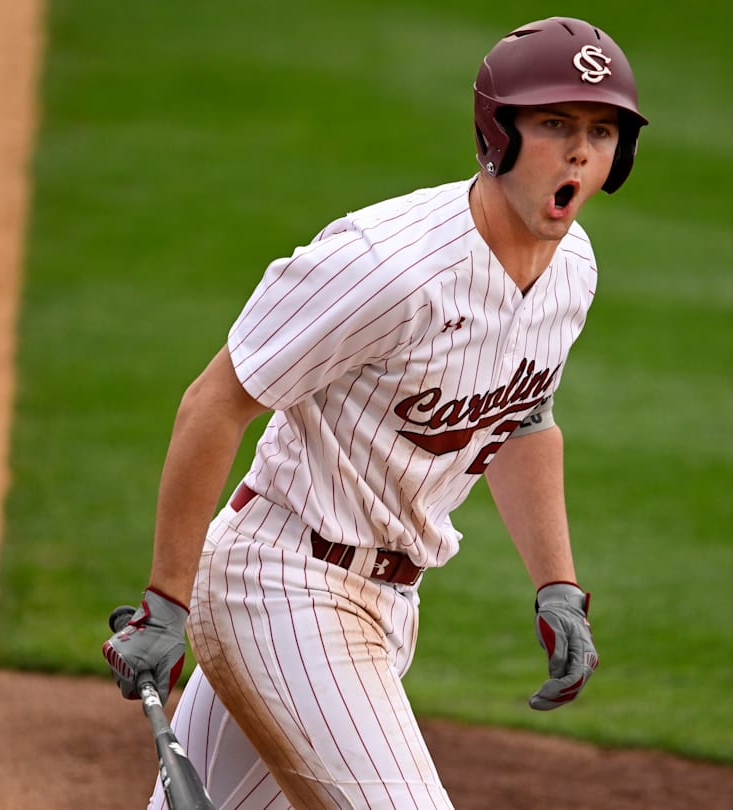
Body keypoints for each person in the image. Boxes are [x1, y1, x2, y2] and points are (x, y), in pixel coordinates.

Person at [102, 16, 648, 809]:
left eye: (601, 131)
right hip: (282, 586)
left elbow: (523, 419)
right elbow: (215, 402)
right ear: (498, 134)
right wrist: (163, 605)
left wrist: (556, 585)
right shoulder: (385, 267)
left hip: (388, 604)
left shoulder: (573, 273)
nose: (579, 152)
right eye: (555, 124)